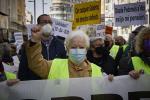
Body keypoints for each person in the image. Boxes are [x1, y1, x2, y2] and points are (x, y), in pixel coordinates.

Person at [24, 26, 114, 79]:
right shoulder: (54, 65)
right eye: (73, 47)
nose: (78, 50)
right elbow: (35, 64)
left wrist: (110, 81)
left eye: (81, 47)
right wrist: (35, 41)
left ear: (86, 50)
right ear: (67, 49)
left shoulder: (97, 70)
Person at [18, 14, 67, 80]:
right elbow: (23, 68)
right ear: (38, 25)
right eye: (44, 22)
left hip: (55, 84)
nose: (47, 24)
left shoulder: (60, 43)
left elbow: (64, 64)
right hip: (36, 84)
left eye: (49, 22)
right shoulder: (30, 44)